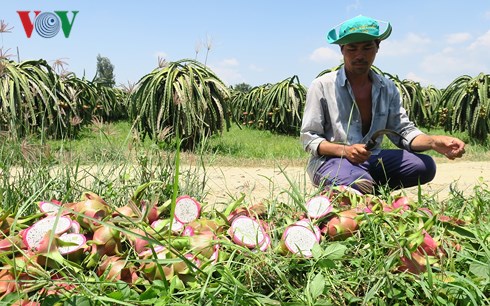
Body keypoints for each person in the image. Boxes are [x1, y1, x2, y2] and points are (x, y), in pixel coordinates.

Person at [300, 15, 466, 194]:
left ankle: (363, 187)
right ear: (342, 50)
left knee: (424, 166)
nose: (360, 55)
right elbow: (309, 138)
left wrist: (434, 141)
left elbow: (403, 131)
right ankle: (356, 185)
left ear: (377, 48)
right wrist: (345, 150)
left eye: (367, 48)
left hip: (372, 159)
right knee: (356, 181)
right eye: (352, 48)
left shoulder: (387, 88)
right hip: (331, 160)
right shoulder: (323, 85)